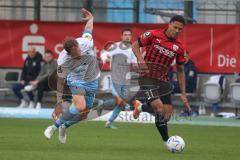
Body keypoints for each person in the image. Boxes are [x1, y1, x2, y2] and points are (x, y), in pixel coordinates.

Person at [131, 15, 192, 148]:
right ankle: (167, 142)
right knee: (159, 108)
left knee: (167, 115)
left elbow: (180, 71)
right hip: (146, 77)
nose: (176, 30)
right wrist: (141, 60)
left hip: (163, 80)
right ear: (169, 24)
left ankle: (140, 106)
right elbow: (135, 45)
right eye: (175, 27)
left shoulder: (179, 47)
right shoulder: (153, 34)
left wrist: (183, 93)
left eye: (180, 29)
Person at [44, 8, 100, 144]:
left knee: (84, 114)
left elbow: (88, 30)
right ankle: (53, 127)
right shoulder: (63, 60)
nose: (80, 52)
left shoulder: (85, 43)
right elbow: (60, 82)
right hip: (76, 80)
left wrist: (91, 18)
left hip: (92, 78)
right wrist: (58, 103)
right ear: (69, 53)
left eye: (79, 48)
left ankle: (65, 126)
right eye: (76, 52)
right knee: (80, 106)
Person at [100, 28, 137, 129]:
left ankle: (109, 122)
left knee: (121, 104)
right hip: (114, 78)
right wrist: (106, 58)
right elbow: (104, 55)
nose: (127, 36)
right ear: (121, 36)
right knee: (120, 101)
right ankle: (101, 105)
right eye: (125, 34)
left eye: (129, 35)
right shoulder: (115, 46)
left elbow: (134, 64)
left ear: (131, 37)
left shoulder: (133, 49)